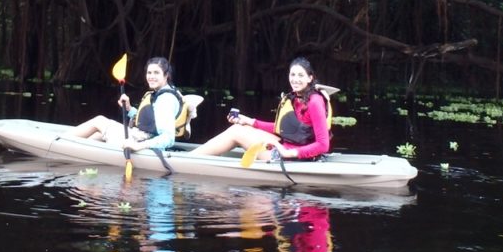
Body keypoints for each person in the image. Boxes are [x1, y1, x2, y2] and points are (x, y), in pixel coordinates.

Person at [190, 57, 331, 161]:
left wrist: (291, 153)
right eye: (292, 75)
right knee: (241, 127)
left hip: (295, 156)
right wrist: (249, 121)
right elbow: (282, 129)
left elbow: (323, 144)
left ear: (310, 78)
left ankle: (189, 159)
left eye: (301, 75)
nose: (295, 79)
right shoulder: (296, 98)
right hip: (288, 145)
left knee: (236, 132)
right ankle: (193, 157)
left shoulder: (314, 102)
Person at [68, 56, 185, 154]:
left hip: (141, 142)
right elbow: (149, 122)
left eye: (156, 73)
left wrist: (138, 146)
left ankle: (58, 142)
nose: (151, 76)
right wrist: (129, 108)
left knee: (99, 121)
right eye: (149, 73)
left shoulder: (166, 100)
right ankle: (72, 152)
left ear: (166, 75)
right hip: (141, 136)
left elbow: (168, 138)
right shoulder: (163, 92)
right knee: (98, 135)